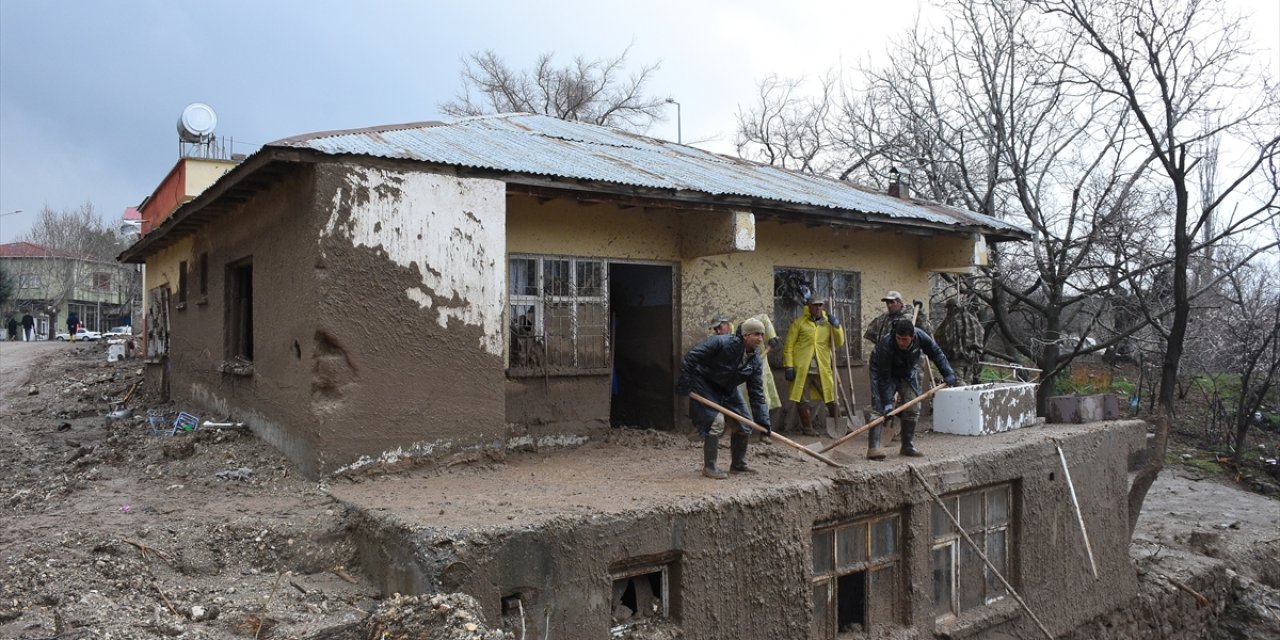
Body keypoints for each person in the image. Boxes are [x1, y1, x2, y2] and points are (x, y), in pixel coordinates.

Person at [677, 318, 772, 479]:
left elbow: (756, 392)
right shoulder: (721, 343)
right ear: (745, 335)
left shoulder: (755, 360)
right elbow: (691, 357)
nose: (760, 339)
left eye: (762, 335)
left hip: (727, 389)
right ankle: (710, 467)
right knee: (716, 422)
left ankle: (738, 465)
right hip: (705, 384)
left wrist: (763, 421)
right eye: (757, 334)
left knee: (745, 424)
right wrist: (685, 383)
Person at [868, 319, 959, 459]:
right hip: (883, 371)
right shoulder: (886, 344)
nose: (901, 342)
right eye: (898, 338)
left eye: (904, 339)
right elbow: (884, 378)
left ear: (912, 337)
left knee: (913, 407)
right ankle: (873, 448)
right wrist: (887, 403)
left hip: (907, 371)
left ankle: (907, 446)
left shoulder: (921, 336)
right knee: (879, 407)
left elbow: (936, 353)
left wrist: (948, 373)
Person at [782, 298, 845, 437]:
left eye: (820, 305)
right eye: (814, 305)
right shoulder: (799, 323)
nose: (817, 308)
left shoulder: (828, 324)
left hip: (821, 367)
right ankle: (807, 428)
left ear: (823, 307)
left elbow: (839, 342)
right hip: (802, 367)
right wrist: (788, 365)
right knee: (801, 399)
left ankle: (838, 424)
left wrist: (837, 326)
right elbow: (789, 345)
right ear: (809, 307)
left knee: (831, 396)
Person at [935, 299, 985, 384]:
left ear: (951, 307)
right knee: (967, 383)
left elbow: (942, 338)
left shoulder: (951, 321)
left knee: (958, 383)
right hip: (970, 358)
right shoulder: (971, 320)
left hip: (956, 359)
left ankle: (965, 396)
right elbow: (980, 334)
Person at [864, 290, 932, 346]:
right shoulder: (883, 318)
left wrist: (920, 313)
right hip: (886, 356)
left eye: (892, 302)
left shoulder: (911, 316)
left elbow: (927, 331)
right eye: (887, 303)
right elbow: (871, 334)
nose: (889, 305)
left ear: (900, 303)